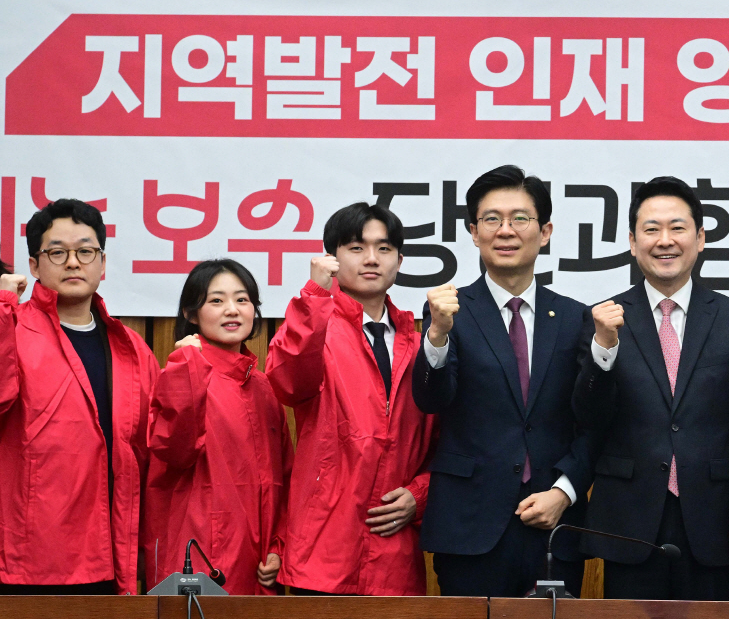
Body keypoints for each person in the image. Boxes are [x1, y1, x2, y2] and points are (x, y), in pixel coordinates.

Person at [574, 177, 729, 601]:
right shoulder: (603, 319)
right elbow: (588, 417)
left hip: (712, 519)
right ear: (632, 242)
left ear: (700, 239)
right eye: (651, 229)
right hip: (629, 519)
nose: (665, 241)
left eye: (677, 228)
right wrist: (603, 348)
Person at [413, 166, 593, 597]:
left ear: (545, 232)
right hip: (470, 525)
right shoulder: (450, 312)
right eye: (491, 219)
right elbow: (431, 399)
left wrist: (565, 491)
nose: (505, 230)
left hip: (552, 523)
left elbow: (594, 420)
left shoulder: (575, 317)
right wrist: (436, 335)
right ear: (474, 232)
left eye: (520, 218)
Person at [266, 202, 435, 595]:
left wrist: (421, 494)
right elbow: (287, 381)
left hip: (394, 557)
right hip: (322, 552)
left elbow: (450, 439)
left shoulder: (422, 342)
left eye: (384, 248)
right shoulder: (316, 326)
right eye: (356, 248)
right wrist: (314, 296)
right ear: (332, 258)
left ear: (400, 261)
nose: (371, 259)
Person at [0, 199, 158, 594]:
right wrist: (2, 307)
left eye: (86, 252)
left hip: (110, 553)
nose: (73, 263)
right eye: (57, 252)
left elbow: (151, 454)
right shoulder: (12, 329)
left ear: (102, 264)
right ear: (34, 265)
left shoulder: (132, 348)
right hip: (28, 559)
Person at [144, 259, 290, 595]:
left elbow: (285, 477)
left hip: (259, 569)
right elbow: (175, 450)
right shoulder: (179, 374)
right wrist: (186, 370)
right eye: (216, 300)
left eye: (242, 299)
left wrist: (279, 547)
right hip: (196, 563)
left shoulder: (265, 388)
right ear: (191, 314)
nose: (232, 310)